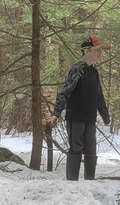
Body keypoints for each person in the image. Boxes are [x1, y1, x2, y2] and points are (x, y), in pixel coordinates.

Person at [50, 36, 110, 181]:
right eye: (97, 52)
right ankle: (72, 182)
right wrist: (56, 113)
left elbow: (99, 96)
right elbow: (66, 91)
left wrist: (105, 115)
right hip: (75, 116)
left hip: (90, 118)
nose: (100, 55)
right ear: (87, 52)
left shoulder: (94, 72)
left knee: (91, 149)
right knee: (76, 148)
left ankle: (90, 181)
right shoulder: (77, 70)